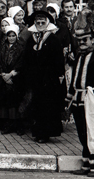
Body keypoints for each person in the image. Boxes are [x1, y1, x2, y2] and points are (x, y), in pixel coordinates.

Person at [24, 10, 65, 143]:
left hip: (49, 79)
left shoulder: (53, 39)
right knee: (37, 106)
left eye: (43, 22)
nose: (40, 24)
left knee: (48, 107)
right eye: (38, 22)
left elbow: (59, 59)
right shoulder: (31, 39)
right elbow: (27, 59)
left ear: (47, 23)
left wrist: (58, 75)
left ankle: (46, 133)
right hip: (36, 79)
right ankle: (38, 132)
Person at [67, 24, 94, 177]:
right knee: (82, 132)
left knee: (93, 132)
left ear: (93, 40)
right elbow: (74, 79)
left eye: (85, 39)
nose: (82, 43)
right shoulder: (79, 56)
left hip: (92, 101)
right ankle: (86, 163)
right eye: (79, 40)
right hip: (78, 100)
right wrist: (69, 99)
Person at [0, 25, 24, 135]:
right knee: (5, 103)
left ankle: (17, 125)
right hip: (4, 79)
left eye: (13, 36)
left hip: (15, 78)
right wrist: (3, 75)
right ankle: (7, 125)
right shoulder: (2, 47)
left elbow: (21, 63)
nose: (11, 38)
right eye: (9, 36)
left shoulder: (21, 48)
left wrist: (12, 74)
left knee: (15, 103)